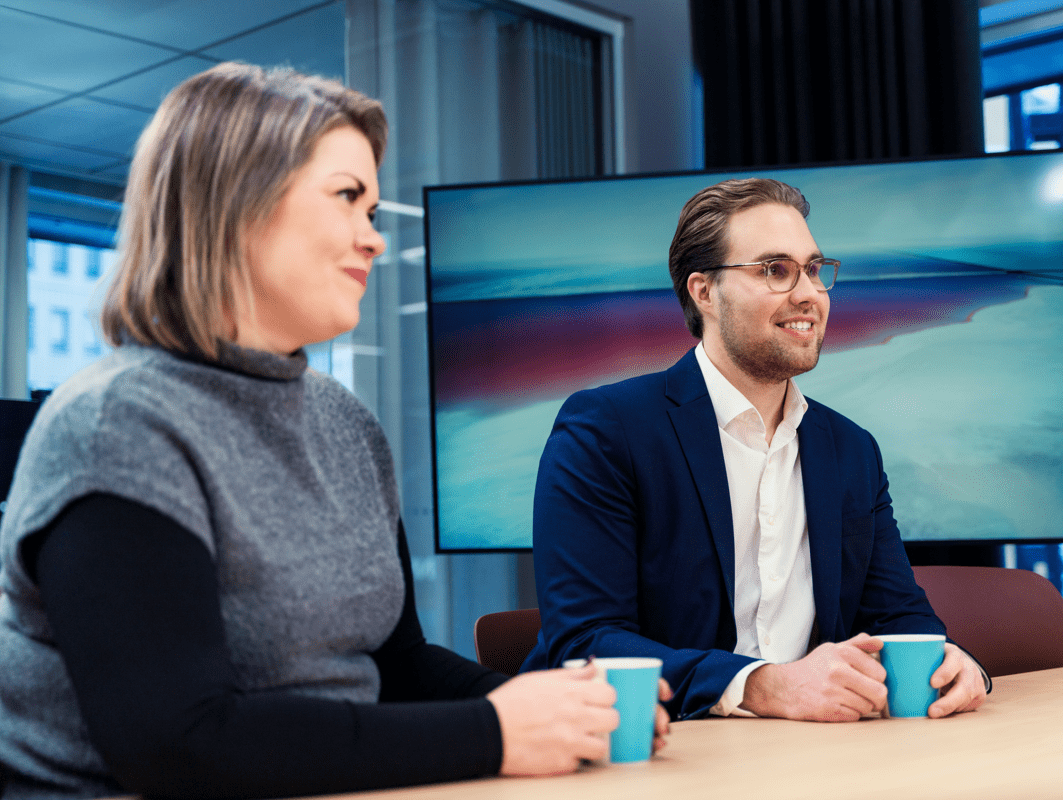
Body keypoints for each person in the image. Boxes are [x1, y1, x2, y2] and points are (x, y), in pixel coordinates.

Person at [0, 62, 667, 800]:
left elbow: (397, 666)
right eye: (348, 198)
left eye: (373, 211)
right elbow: (179, 746)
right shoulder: (119, 425)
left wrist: (560, 710)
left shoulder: (341, 419)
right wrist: (497, 731)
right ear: (236, 202)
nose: (373, 240)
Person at [523, 178, 989, 722]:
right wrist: (764, 686)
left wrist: (955, 666)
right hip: (662, 750)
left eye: (813, 269)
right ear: (704, 292)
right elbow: (584, 641)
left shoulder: (851, 450)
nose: (809, 294)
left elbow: (900, 619)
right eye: (775, 269)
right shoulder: (606, 430)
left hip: (817, 748)